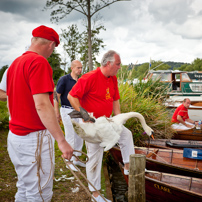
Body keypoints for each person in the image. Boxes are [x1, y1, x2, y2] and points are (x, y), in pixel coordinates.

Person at [6, 25, 73, 202]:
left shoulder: (15, 63)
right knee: (40, 193)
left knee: (24, 187)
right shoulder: (38, 62)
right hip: (33, 138)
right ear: (51, 44)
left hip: (15, 137)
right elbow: (42, 105)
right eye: (54, 48)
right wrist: (62, 140)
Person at [68, 50, 135, 202]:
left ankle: (128, 166)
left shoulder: (113, 79)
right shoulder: (89, 77)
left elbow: (115, 100)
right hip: (90, 122)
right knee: (95, 155)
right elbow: (71, 96)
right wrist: (83, 113)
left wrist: (118, 120)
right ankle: (95, 194)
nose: (120, 67)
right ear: (108, 63)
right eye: (118, 64)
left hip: (107, 120)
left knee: (126, 134)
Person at [55, 60, 85, 171]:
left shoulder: (81, 80)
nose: (80, 70)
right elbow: (56, 96)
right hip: (66, 110)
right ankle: (69, 161)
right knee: (70, 135)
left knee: (79, 135)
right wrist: (56, 112)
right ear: (72, 68)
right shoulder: (64, 80)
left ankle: (76, 160)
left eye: (81, 68)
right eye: (78, 68)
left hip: (78, 110)